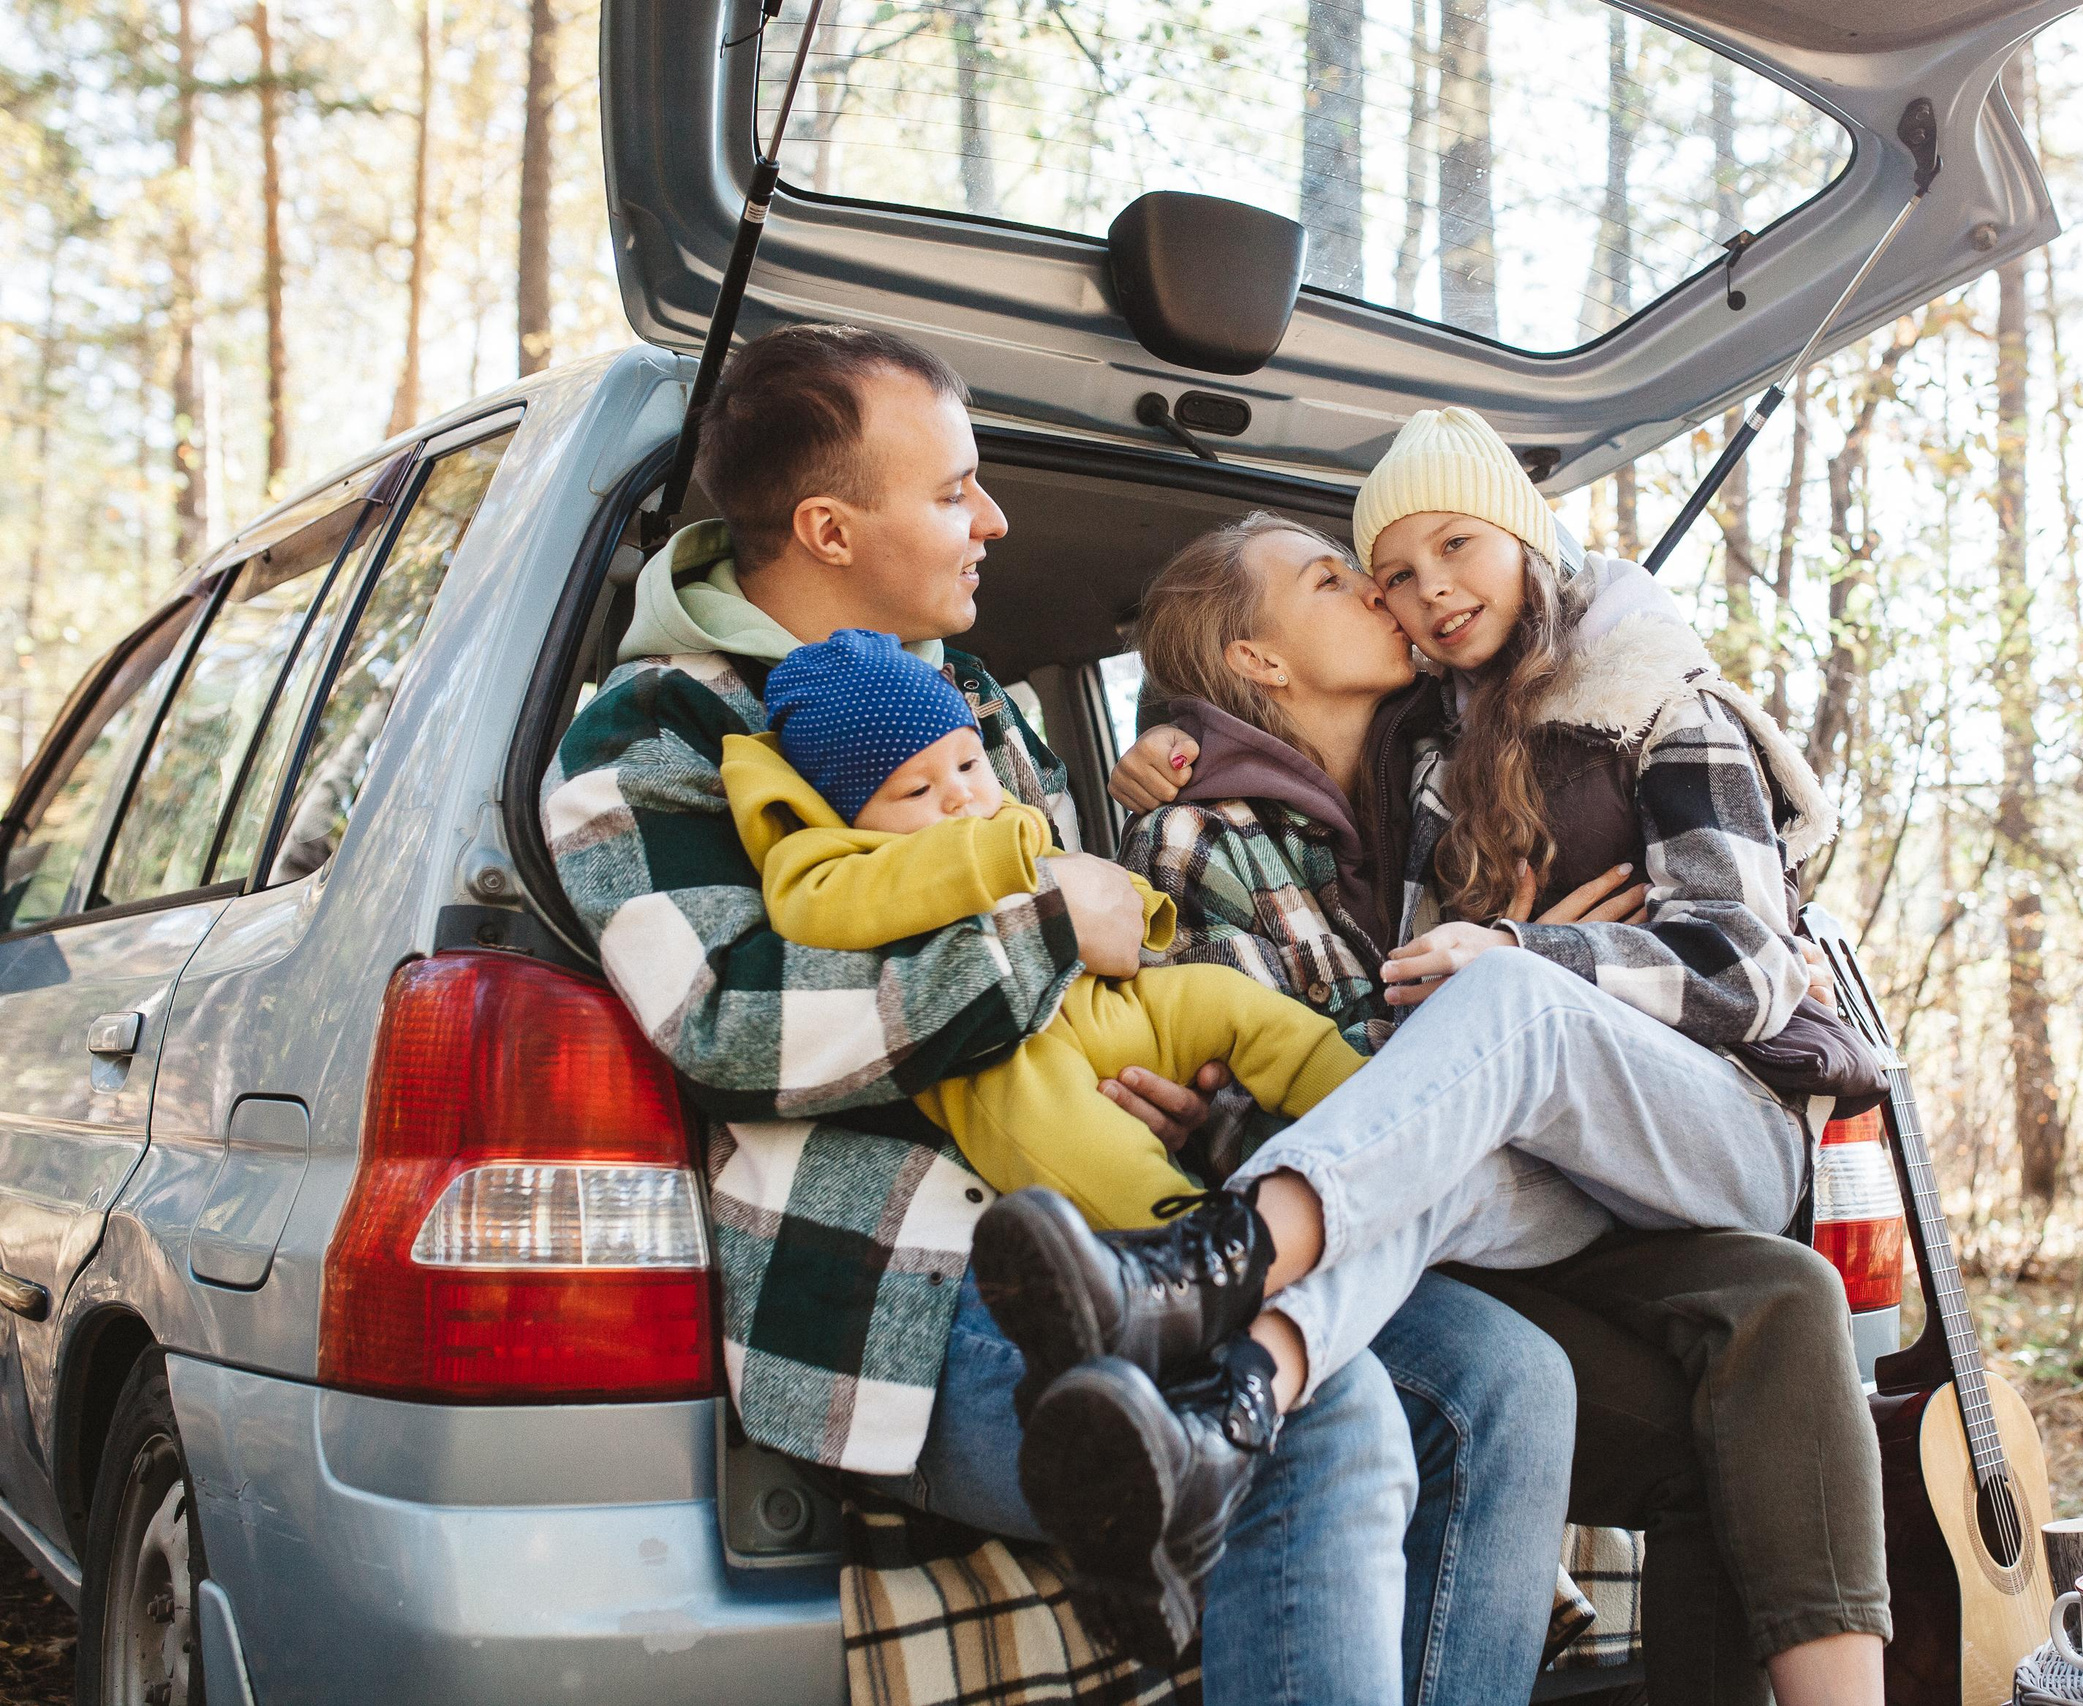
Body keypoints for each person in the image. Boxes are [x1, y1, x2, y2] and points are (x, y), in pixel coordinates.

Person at [541, 328, 1575, 1706]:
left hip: (1125, 1225)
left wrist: (1196, 1093)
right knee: (1319, 1423)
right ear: (830, 527)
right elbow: (733, 1020)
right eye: (956, 488)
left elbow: (1106, 972)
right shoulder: (651, 736)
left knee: (1508, 1382)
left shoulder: (980, 705)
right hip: (896, 1276)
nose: (995, 518)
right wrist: (1040, 937)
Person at [1028, 406, 1893, 1706]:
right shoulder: (1423, 758)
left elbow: (1749, 965)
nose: (1424, 596)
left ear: (1526, 533)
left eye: (1456, 548)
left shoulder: (1663, 705)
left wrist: (1533, 954)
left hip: (1706, 1120)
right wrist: (1177, 755)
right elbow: (1347, 1022)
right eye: (1384, 578)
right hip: (1541, 1163)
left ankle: (1218, 1271)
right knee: (1775, 1307)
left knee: (1510, 1013)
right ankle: (1237, 1399)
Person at [718, 625, 1366, 1231]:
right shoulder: (833, 864)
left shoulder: (1009, 817)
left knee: (1237, 1005)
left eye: (970, 765)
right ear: (848, 811)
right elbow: (816, 910)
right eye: (916, 791)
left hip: (1110, 1004)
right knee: (1080, 1150)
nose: (959, 797)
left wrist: (1142, 907)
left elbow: (1085, 881)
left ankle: (1366, 1115)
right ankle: (1188, 1243)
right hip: (1007, 1057)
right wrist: (987, 855)